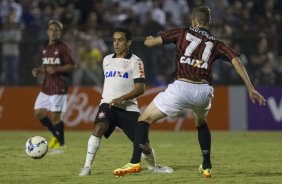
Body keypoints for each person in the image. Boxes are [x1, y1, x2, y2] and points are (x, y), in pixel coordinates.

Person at [113, 6, 266, 178]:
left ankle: (134, 162)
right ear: (209, 23)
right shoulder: (216, 43)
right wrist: (251, 88)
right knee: (201, 123)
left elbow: (150, 43)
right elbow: (236, 60)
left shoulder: (182, 32)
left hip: (181, 87)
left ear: (193, 21)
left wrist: (150, 39)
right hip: (203, 91)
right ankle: (207, 165)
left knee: (144, 120)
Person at [79, 26, 172, 176]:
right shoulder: (106, 60)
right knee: (98, 128)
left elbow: (140, 88)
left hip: (128, 108)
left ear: (129, 42)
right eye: (114, 40)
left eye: (120, 40)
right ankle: (87, 167)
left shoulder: (136, 62)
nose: (116, 44)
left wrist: (122, 98)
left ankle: (153, 166)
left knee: (144, 146)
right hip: (108, 104)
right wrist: (112, 98)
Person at [32, 20, 76, 150]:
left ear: (60, 33)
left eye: (56, 30)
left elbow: (73, 66)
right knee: (38, 113)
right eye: (51, 29)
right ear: (47, 31)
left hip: (58, 87)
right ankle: (55, 136)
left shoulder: (63, 48)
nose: (53, 32)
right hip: (46, 87)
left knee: (56, 117)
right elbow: (46, 65)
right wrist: (39, 70)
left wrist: (56, 70)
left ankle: (61, 143)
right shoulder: (45, 47)